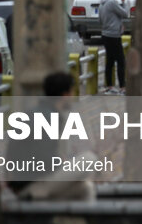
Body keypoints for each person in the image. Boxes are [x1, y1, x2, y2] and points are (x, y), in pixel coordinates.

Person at [8, 72, 96, 201]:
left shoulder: (34, 112)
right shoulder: (49, 118)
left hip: (22, 183)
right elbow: (43, 158)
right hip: (34, 185)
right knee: (89, 158)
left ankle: (78, 220)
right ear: (65, 95)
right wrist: (63, 162)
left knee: (85, 188)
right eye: (71, 92)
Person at [99, 0, 130, 90]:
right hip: (114, 36)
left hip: (105, 34)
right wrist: (124, 3)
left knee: (110, 61)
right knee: (121, 61)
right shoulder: (112, 2)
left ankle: (110, 86)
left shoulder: (102, 2)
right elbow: (125, 14)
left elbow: (101, 18)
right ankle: (122, 86)